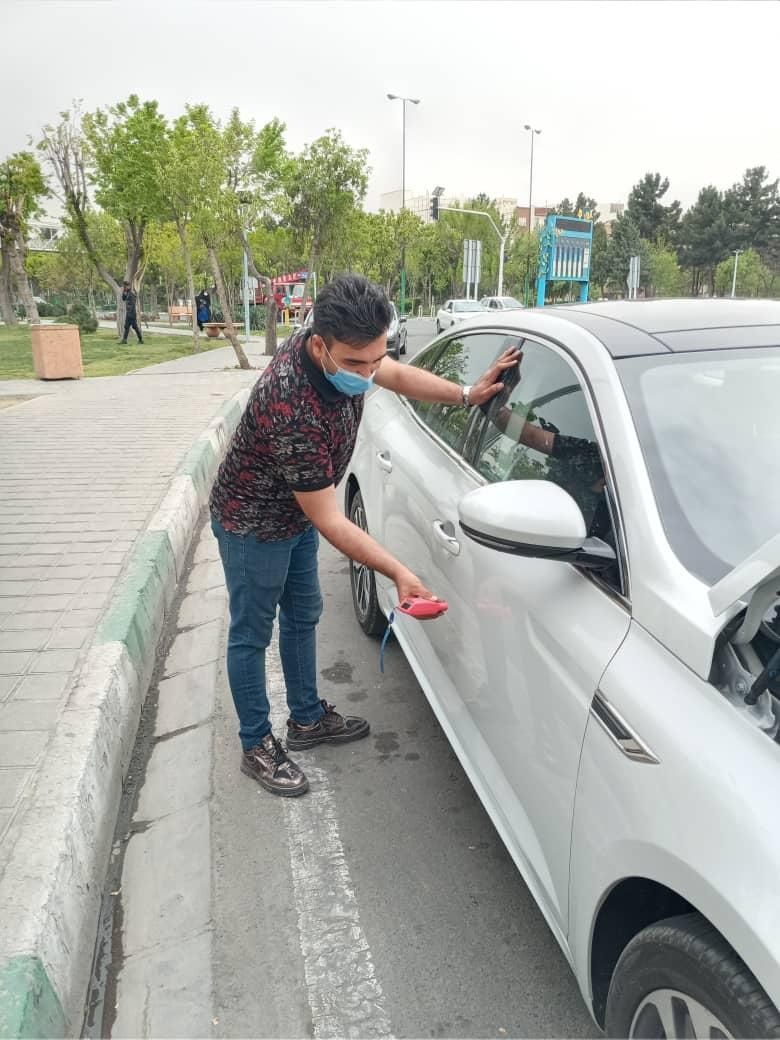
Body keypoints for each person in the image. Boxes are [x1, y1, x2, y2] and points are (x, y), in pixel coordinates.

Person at [209, 274, 518, 798]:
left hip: (298, 513)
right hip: (253, 523)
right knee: (251, 634)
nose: (367, 374)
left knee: (304, 613)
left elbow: (394, 374)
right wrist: (397, 570)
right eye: (355, 364)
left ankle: (306, 720)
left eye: (374, 359)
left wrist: (467, 394)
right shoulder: (293, 407)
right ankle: (255, 741)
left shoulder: (351, 351)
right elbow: (331, 519)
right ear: (318, 347)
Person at [120, 280, 143, 344]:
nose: (124, 287)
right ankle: (124, 340)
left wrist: (130, 313)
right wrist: (124, 293)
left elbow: (133, 304)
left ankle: (140, 339)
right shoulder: (126, 292)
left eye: (125, 286)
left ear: (129, 286)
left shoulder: (132, 293)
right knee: (126, 326)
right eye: (124, 286)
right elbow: (123, 299)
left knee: (135, 327)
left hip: (132, 313)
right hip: (128, 313)